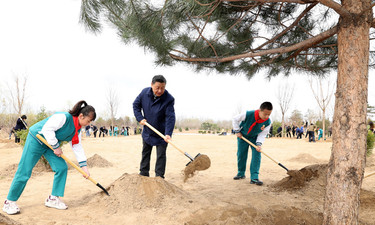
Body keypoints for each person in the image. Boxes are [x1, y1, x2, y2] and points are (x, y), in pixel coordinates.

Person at [2, 101, 96, 215]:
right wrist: (56, 147)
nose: (88, 124)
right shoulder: (63, 117)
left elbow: (77, 146)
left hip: (50, 145)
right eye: (88, 121)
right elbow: (47, 129)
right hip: (36, 139)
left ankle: (53, 199)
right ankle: (9, 202)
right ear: (81, 116)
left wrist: (84, 167)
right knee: (25, 170)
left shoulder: (77, 129)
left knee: (61, 167)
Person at [133, 75, 176, 179]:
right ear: (151, 85)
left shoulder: (169, 99)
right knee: (145, 153)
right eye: (157, 87)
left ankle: (159, 177)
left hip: (162, 133)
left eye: (162, 88)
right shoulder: (144, 93)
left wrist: (168, 134)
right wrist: (140, 118)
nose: (160, 90)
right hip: (148, 131)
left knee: (161, 155)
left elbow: (170, 117)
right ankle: (143, 174)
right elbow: (136, 105)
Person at [232, 102, 272, 186]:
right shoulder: (248, 114)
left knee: (257, 155)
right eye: (265, 114)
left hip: (255, 138)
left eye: (269, 114)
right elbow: (235, 119)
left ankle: (254, 177)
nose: (267, 116)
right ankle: (241, 173)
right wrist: (237, 131)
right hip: (243, 136)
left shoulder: (268, 122)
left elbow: (263, 134)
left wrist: (259, 144)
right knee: (241, 154)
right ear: (260, 110)